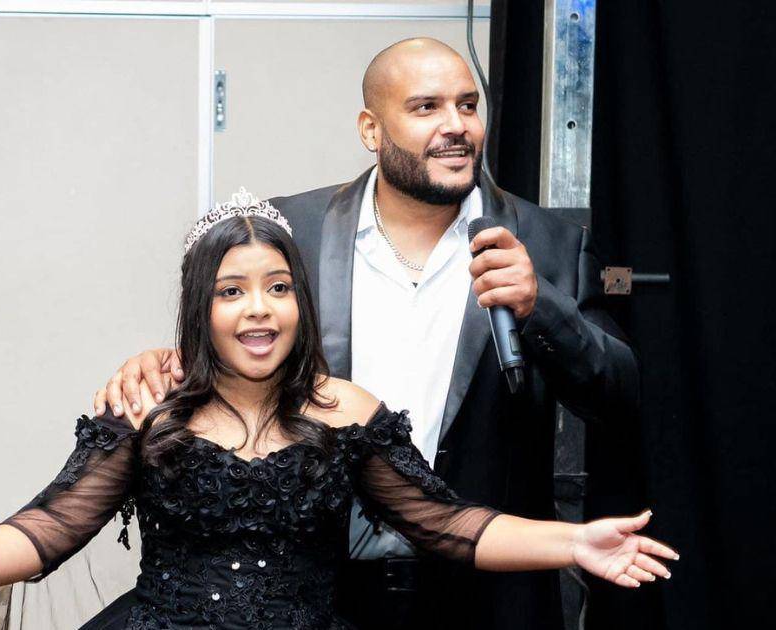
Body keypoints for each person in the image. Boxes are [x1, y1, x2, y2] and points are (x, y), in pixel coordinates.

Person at [0, 197, 673, 629]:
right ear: (202, 309)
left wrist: (575, 542)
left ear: (300, 303)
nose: (259, 309)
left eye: (279, 288)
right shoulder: (151, 413)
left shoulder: (345, 411)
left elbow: (451, 526)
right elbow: (51, 527)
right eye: (233, 291)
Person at [93, 38, 639, 629]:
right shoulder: (295, 231)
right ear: (371, 130)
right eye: (426, 107)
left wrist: (541, 308)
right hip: (325, 591)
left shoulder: (549, 243)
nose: (456, 126)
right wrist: (163, 361)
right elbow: (234, 342)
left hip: (489, 593)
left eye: (468, 105)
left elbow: (619, 395)